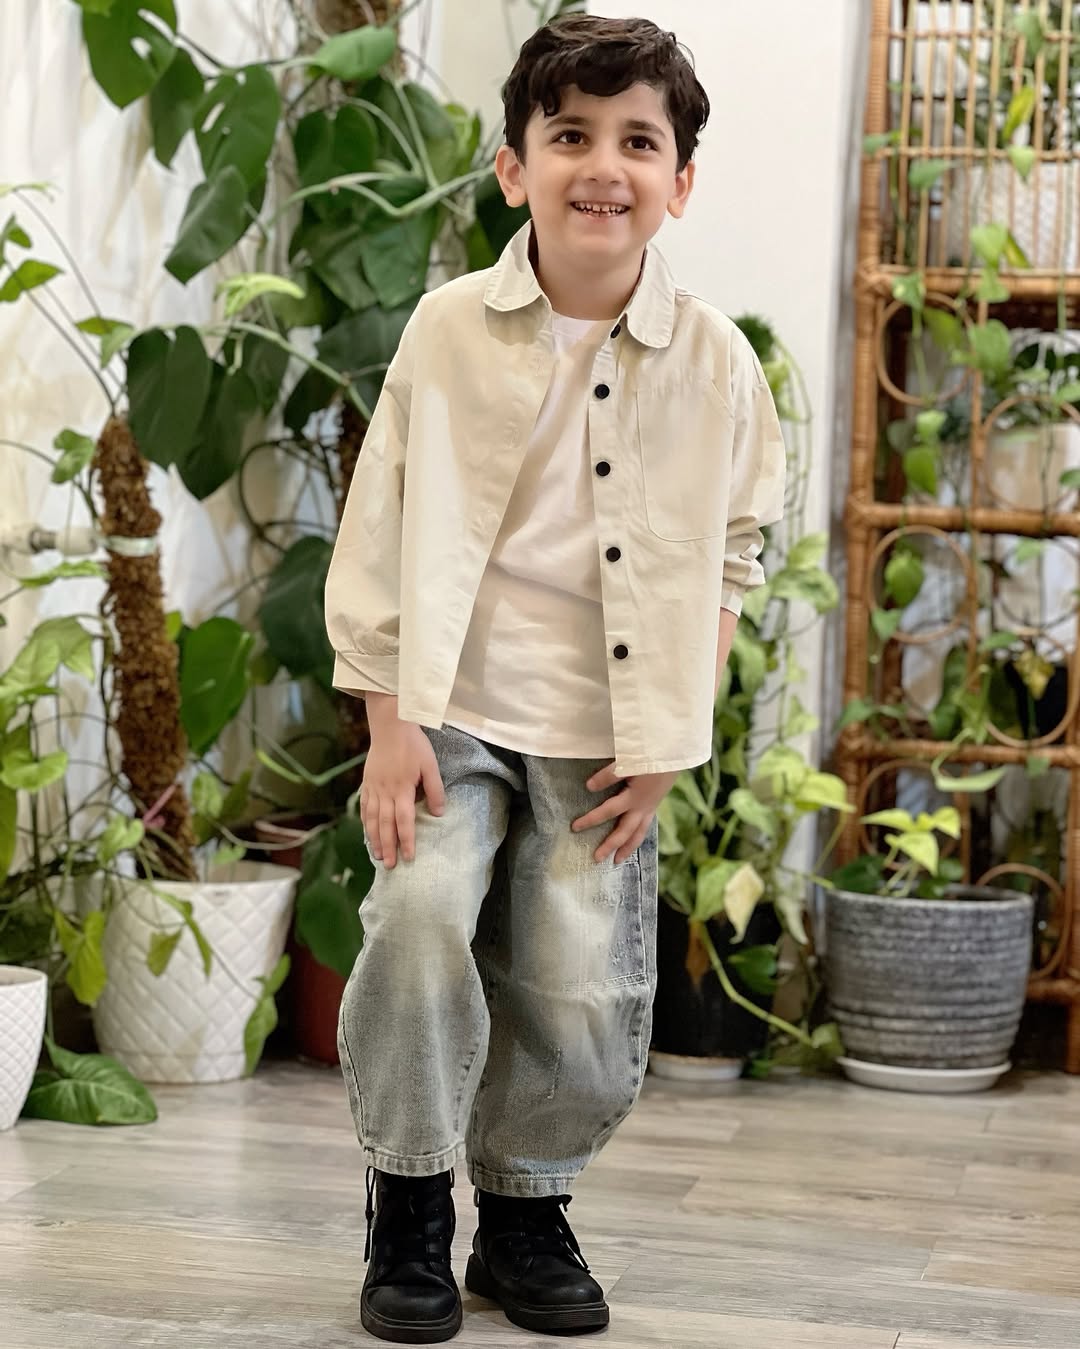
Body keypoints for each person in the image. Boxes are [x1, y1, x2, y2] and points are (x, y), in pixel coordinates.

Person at [324, 13, 786, 1344]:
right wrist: (388, 723)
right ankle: (411, 1205)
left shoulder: (716, 361)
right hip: (447, 707)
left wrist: (673, 736)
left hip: (607, 730)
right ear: (514, 168)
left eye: (638, 141)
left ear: (679, 182)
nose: (603, 165)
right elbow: (379, 526)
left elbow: (733, 555)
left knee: (581, 981)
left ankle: (525, 1210)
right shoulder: (446, 331)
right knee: (418, 922)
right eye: (570, 134)